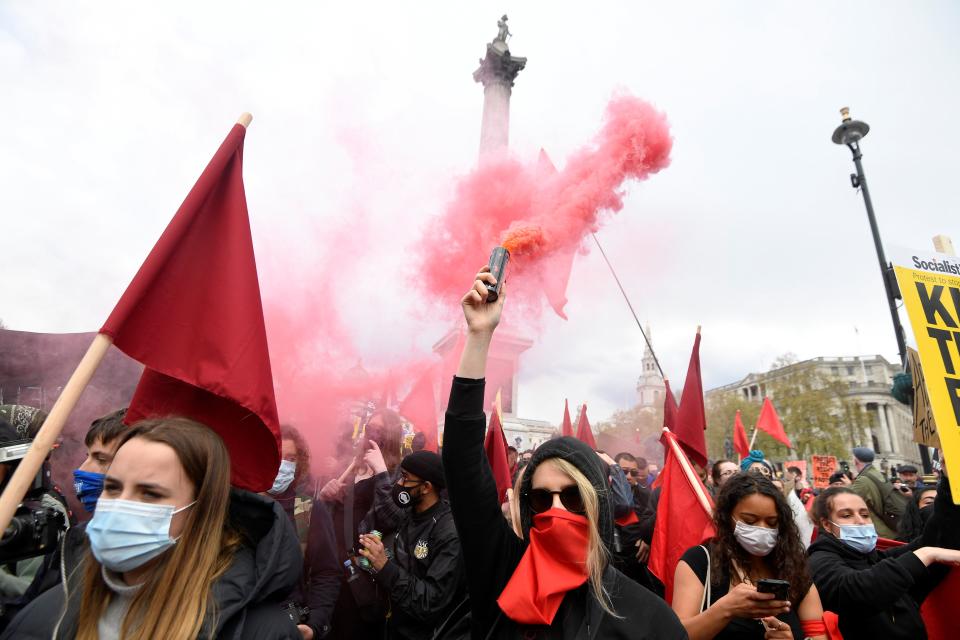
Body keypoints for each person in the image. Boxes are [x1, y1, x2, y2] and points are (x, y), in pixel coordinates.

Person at [442, 266, 686, 638]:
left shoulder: (648, 617)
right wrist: (478, 336)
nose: (556, 509)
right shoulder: (503, 568)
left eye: (572, 497)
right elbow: (461, 461)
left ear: (596, 501)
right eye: (542, 498)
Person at [3, 416, 302, 639]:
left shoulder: (261, 632)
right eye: (113, 487)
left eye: (150, 493)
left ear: (201, 511)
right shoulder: (43, 619)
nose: (121, 505)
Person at [7, 409, 130, 621]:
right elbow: (29, 611)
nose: (82, 469)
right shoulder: (75, 542)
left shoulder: (42, 507)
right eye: (88, 456)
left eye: (101, 459)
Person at [672, 473, 827, 640]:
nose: (762, 529)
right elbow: (676, 635)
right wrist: (726, 609)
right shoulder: (701, 561)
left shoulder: (794, 565)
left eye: (772, 522)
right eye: (750, 521)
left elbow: (818, 634)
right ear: (727, 517)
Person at [808, 483, 960, 639]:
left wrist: (949, 481)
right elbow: (857, 592)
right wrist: (925, 554)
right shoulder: (819, 561)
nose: (860, 521)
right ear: (826, 524)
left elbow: (936, 538)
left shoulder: (875, 558)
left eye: (865, 514)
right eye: (846, 515)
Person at [358, 450, 468, 639]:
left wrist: (386, 568)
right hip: (394, 627)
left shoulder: (449, 532)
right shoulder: (409, 514)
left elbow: (431, 602)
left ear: (426, 487)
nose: (399, 484)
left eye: (405, 478)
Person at [266, 425, 340, 640]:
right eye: (278, 456)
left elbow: (326, 573)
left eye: (290, 458)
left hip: (288, 624)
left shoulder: (306, 509)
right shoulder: (241, 504)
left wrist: (315, 623)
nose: (283, 465)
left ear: (299, 463)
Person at [849, 446, 906, 539]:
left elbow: (848, 502)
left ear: (855, 461)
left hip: (879, 533)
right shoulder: (877, 474)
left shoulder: (862, 480)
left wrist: (847, 485)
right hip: (890, 527)